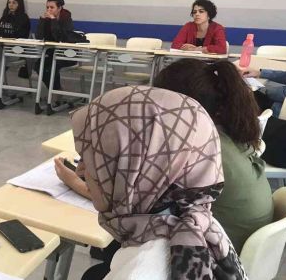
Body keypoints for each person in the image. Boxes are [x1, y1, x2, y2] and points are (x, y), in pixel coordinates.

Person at [70, 86, 247, 280]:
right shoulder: (205, 224)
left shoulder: (138, 274)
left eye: (92, 159)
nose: (80, 171)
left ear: (134, 169)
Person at [153, 59, 273, 251]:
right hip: (243, 241)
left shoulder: (197, 145)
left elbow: (144, 199)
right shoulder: (223, 129)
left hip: (222, 251)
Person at [35, 0, 76, 90]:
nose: (49, 10)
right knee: (38, 66)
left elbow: (60, 37)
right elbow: (38, 37)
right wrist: (42, 21)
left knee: (50, 68)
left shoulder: (66, 19)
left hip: (67, 54)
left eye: (52, 7)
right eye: (47, 7)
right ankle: (55, 89)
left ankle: (56, 91)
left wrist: (53, 20)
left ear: (59, 8)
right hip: (52, 52)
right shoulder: (47, 20)